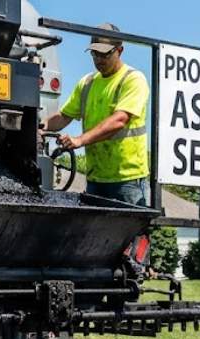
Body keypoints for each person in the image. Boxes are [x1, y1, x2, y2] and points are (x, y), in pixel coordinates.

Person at [39, 23, 150, 206]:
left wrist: (79, 140)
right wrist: (39, 128)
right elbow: (64, 116)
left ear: (119, 51)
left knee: (127, 233)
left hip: (128, 180)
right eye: (94, 54)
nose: (99, 59)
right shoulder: (87, 83)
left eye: (105, 54)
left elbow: (119, 120)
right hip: (96, 179)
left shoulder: (132, 80)